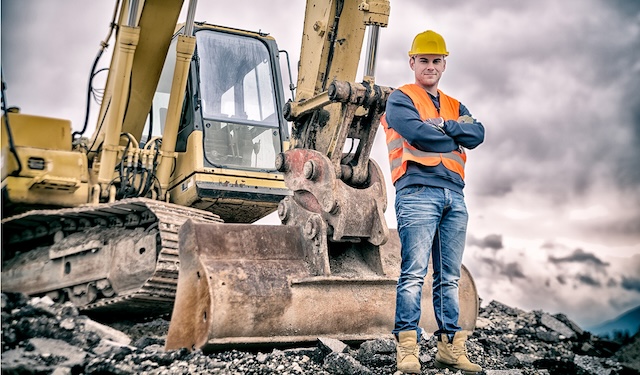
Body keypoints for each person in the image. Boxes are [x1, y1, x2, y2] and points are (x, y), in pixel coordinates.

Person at [381, 30, 485, 374]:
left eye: (436, 60)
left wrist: (445, 126)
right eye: (423, 60)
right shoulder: (400, 98)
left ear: (444, 63)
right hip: (416, 192)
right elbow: (418, 134)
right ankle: (407, 349)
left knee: (449, 278)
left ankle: (449, 350)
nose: (430, 66)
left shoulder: (456, 105)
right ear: (412, 62)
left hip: (454, 195)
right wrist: (449, 137)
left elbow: (478, 133)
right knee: (413, 274)